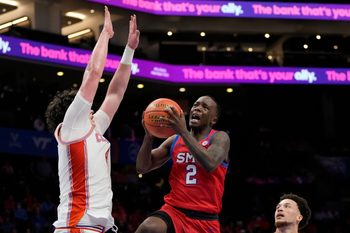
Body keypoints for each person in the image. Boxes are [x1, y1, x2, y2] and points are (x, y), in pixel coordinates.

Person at [45, 6, 140, 233]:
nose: (91, 107)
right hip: (77, 227)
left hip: (96, 228)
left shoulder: (94, 126)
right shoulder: (72, 126)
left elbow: (115, 94)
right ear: (73, 110)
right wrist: (105, 35)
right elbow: (93, 73)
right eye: (86, 105)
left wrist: (129, 50)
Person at [135, 96, 231, 233]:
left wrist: (183, 132)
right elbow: (142, 167)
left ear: (213, 119)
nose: (197, 108)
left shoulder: (220, 137)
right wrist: (149, 137)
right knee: (149, 228)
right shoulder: (175, 140)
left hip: (205, 218)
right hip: (174, 211)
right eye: (195, 105)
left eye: (205, 107)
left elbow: (210, 163)